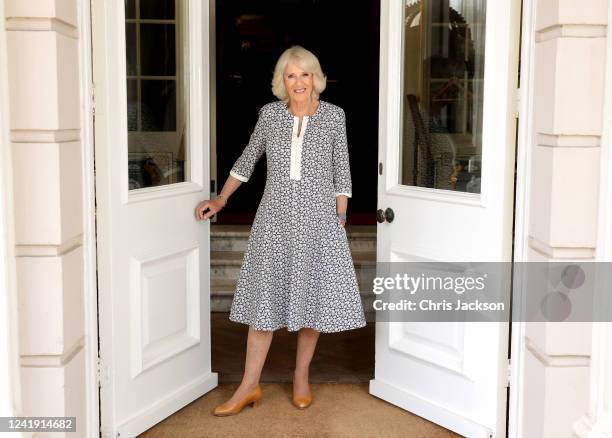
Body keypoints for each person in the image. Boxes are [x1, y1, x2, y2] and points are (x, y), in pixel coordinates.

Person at [195, 45, 366, 416]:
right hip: (274, 220)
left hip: (320, 221)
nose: (299, 82)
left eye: (305, 74)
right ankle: (248, 386)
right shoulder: (270, 116)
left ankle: (301, 374)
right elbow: (247, 159)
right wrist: (222, 199)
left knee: (313, 302)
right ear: (282, 81)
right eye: (291, 75)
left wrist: (340, 219)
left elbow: (343, 171)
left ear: (316, 78)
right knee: (264, 304)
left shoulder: (334, 117)